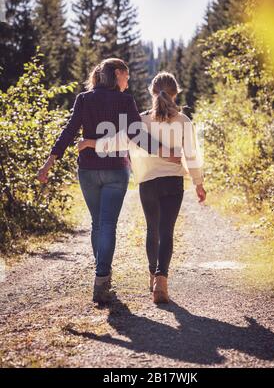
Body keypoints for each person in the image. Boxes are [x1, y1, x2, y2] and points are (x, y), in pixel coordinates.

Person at [38, 60, 179, 304]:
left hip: (88, 170)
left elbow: (69, 130)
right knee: (107, 224)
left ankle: (102, 275)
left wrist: (49, 163)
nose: (128, 81)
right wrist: (167, 153)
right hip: (115, 170)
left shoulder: (84, 98)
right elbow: (138, 135)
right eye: (126, 76)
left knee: (98, 224)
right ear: (117, 74)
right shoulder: (125, 101)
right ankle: (102, 277)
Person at [78, 72, 206, 304]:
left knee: (152, 230)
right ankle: (161, 280)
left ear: (151, 92)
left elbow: (117, 141)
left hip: (147, 182)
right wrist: (199, 183)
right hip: (173, 183)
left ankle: (151, 277)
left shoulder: (140, 121)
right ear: (176, 93)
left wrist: (90, 143)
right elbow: (192, 155)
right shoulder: (184, 122)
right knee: (167, 231)